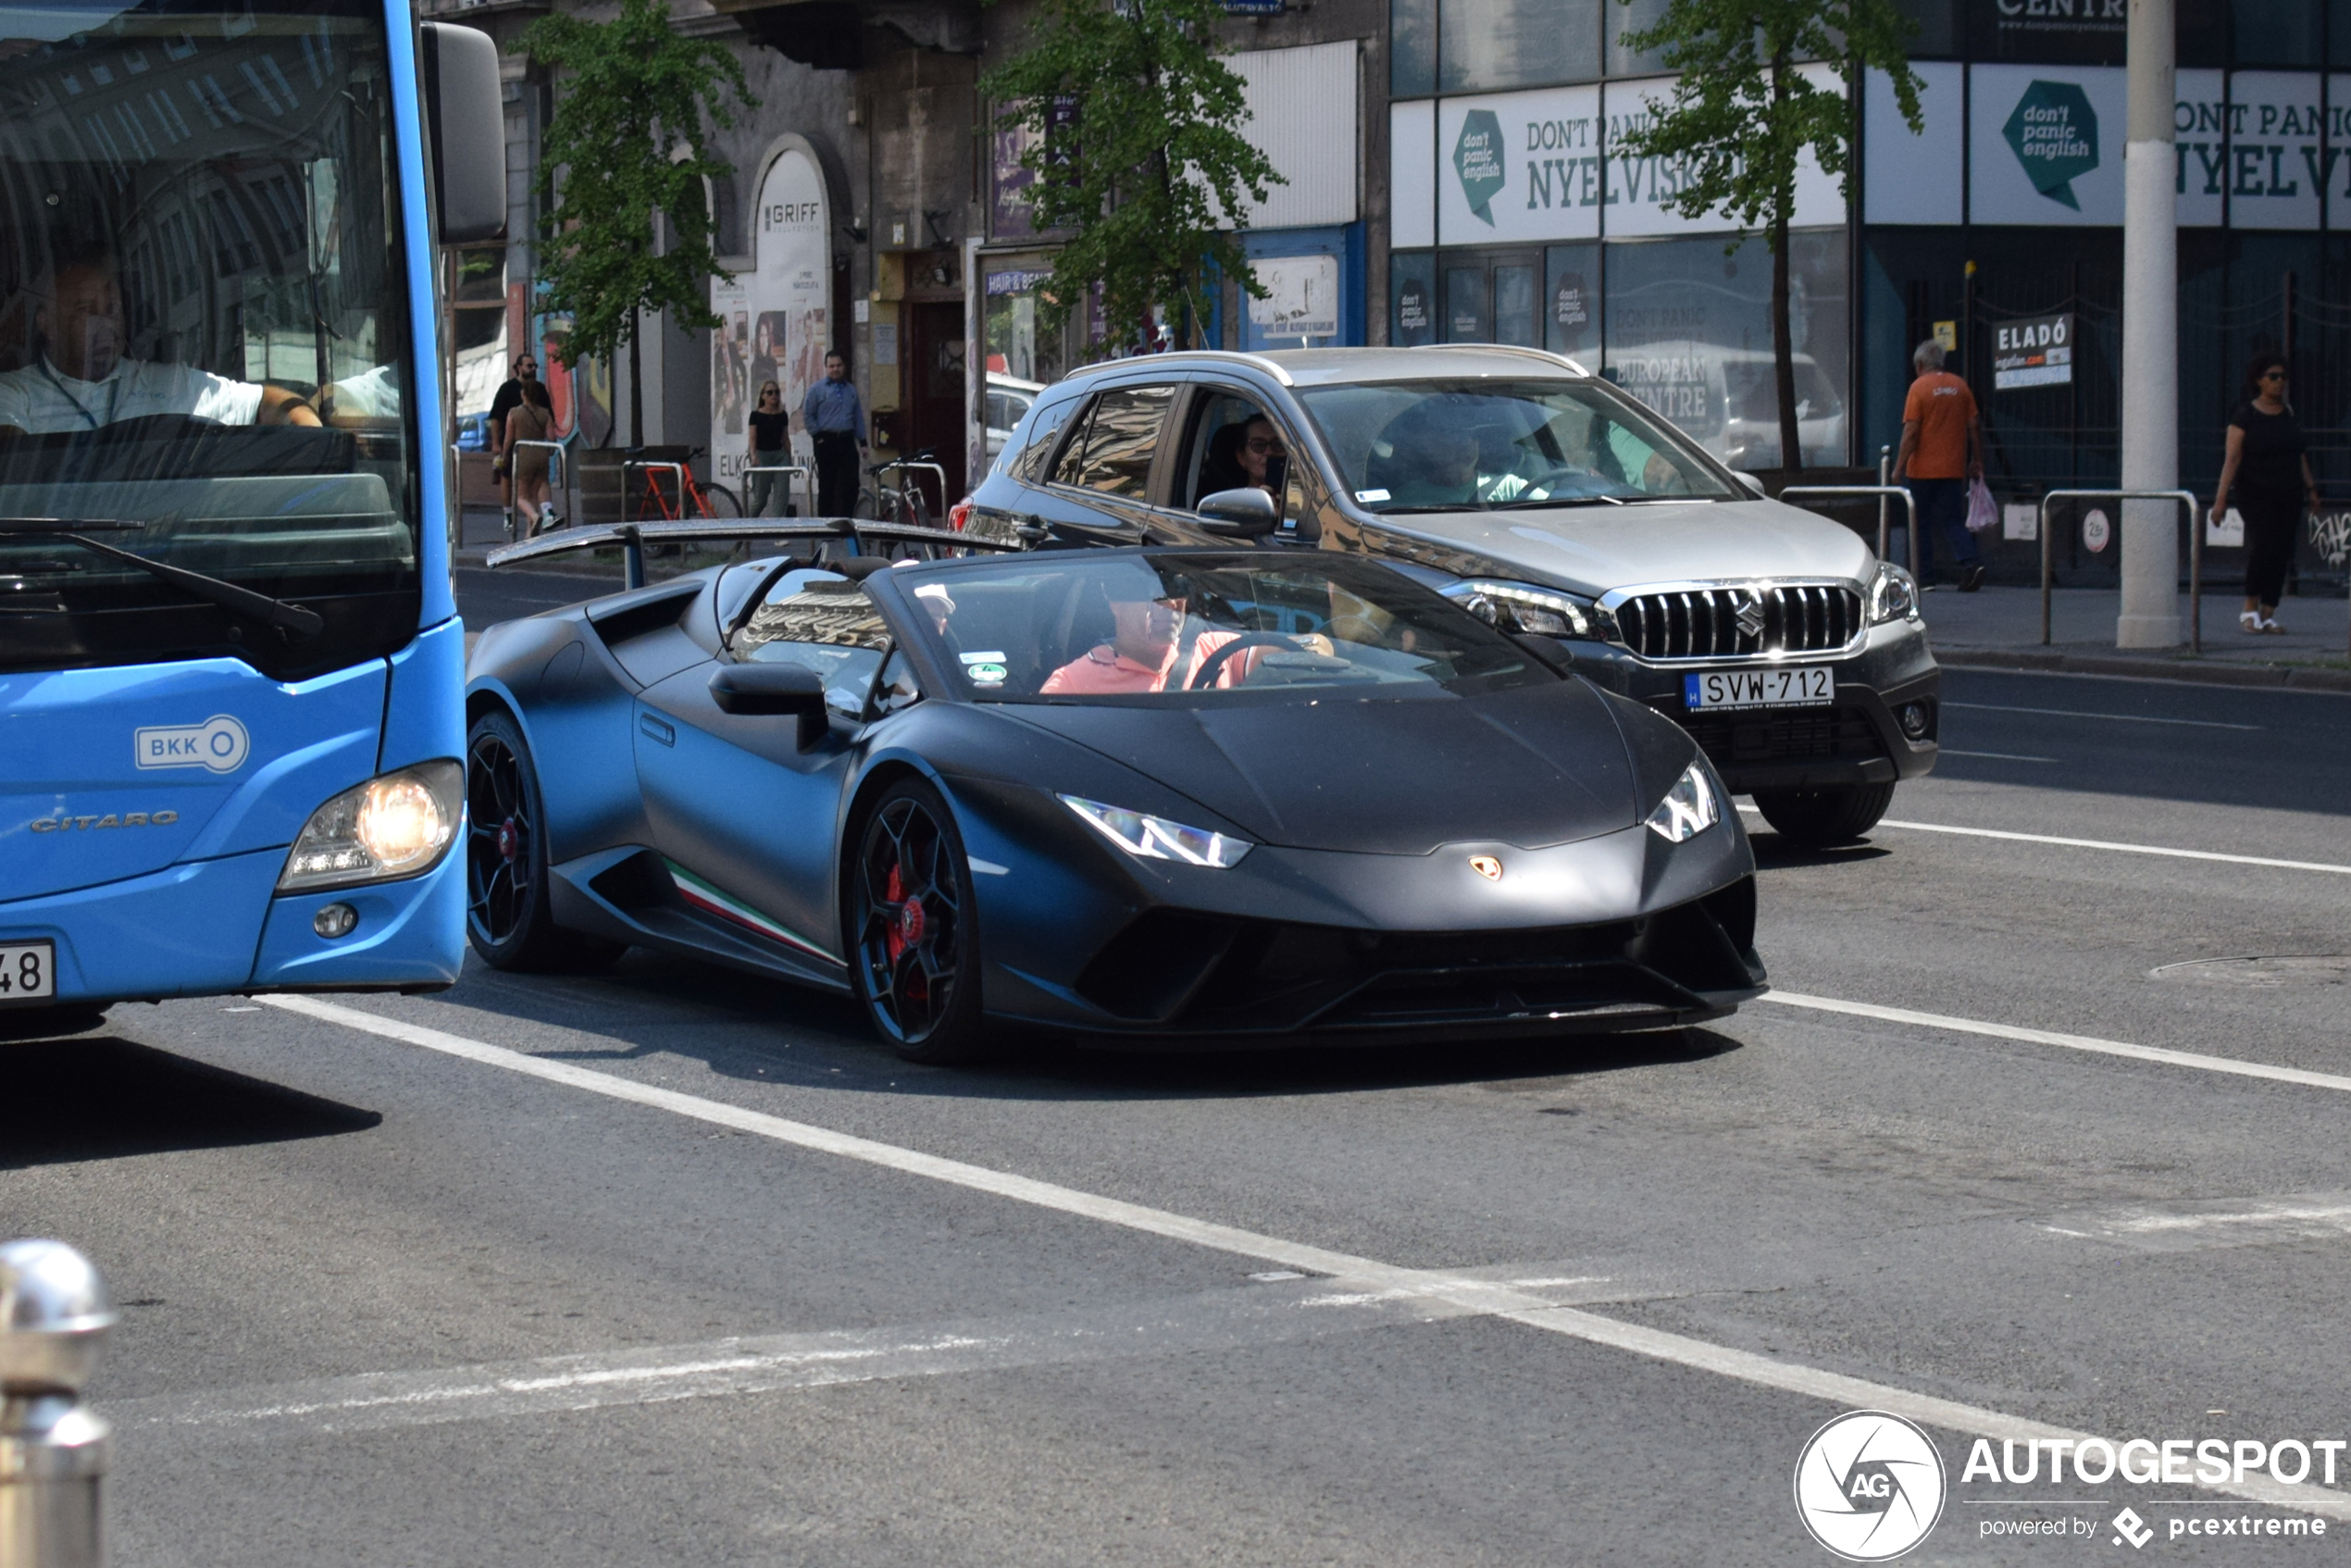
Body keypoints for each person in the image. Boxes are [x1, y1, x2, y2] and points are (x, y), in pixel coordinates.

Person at [0, 255, 319, 435]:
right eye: (86, 310)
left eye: (114, 308)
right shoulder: (15, 394)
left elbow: (270, 402)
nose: (107, 322)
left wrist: (312, 439)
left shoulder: (172, 384)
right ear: (47, 324)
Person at [2212, 353, 2319, 635]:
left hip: (2289, 492)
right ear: (2259, 380)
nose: (2279, 382)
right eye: (2273, 376)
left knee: (2282, 549)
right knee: (2264, 546)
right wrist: (2220, 500)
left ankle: (2269, 611)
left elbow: (2299, 455)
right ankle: (2249, 607)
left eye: (2283, 377)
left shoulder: (2289, 413)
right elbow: (2232, 458)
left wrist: (2312, 489)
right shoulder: (2245, 415)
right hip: (2255, 493)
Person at [1040, 578, 1255, 695]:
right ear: (1116, 604)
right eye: (1155, 595)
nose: (1171, 605)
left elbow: (1284, 655)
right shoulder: (1073, 684)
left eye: (1178, 591)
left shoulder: (1218, 650)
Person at [1892, 338, 1985, 591]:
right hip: (1953, 468)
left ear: (1920, 364)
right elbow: (1974, 426)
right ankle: (1971, 561)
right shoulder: (1960, 386)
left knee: (1920, 522)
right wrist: (1976, 460)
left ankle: (1925, 577)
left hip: (1922, 470)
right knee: (1953, 519)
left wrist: (1898, 467)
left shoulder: (1918, 388)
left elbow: (1911, 431)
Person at [803, 350, 866, 516]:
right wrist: (817, 436)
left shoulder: (851, 390)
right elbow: (808, 414)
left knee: (852, 483)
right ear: (826, 368)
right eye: (831, 366)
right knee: (827, 484)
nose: (835, 369)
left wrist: (863, 442)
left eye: (838, 365)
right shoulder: (816, 390)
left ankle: (847, 521)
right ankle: (826, 524)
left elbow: (858, 416)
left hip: (846, 440)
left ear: (844, 367)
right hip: (826, 441)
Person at [487, 353, 539, 517]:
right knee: (507, 476)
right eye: (529, 366)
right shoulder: (507, 389)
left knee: (536, 479)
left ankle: (534, 513)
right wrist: (496, 443)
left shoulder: (539, 389)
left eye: (534, 366)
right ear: (518, 368)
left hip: (533, 442)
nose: (533, 369)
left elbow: (547, 415)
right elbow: (496, 417)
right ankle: (508, 514)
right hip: (511, 441)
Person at [505, 380, 555, 533]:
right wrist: (551, 451)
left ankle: (533, 516)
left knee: (520, 496)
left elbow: (509, 438)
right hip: (541, 455)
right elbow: (552, 438)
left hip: (523, 454)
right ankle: (530, 532)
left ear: (523, 394)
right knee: (533, 494)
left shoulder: (514, 413)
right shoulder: (545, 413)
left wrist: (504, 455)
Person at [746, 380, 791, 516]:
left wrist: (790, 458)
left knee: (781, 497)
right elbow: (752, 438)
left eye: (777, 392)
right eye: (769, 392)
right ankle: (745, 527)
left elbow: (785, 438)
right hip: (762, 456)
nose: (774, 395)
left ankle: (778, 531)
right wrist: (753, 455)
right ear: (762, 396)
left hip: (780, 456)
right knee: (761, 499)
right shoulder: (756, 415)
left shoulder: (782, 415)